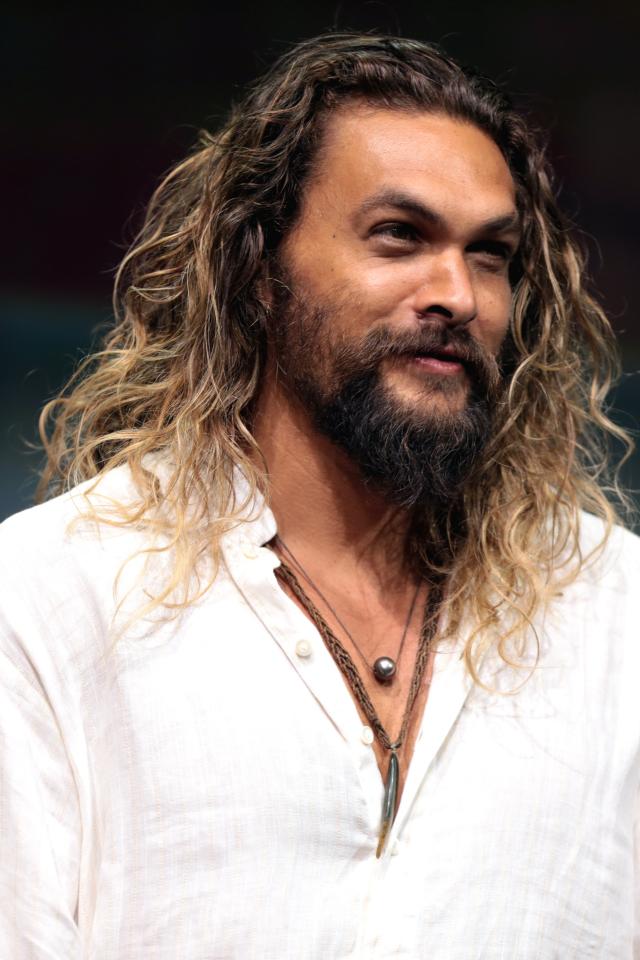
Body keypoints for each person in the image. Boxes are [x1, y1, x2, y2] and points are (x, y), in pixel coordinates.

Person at [1, 31, 638, 958]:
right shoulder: (57, 597)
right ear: (259, 269)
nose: (457, 294)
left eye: (491, 253)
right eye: (399, 236)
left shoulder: (613, 611)